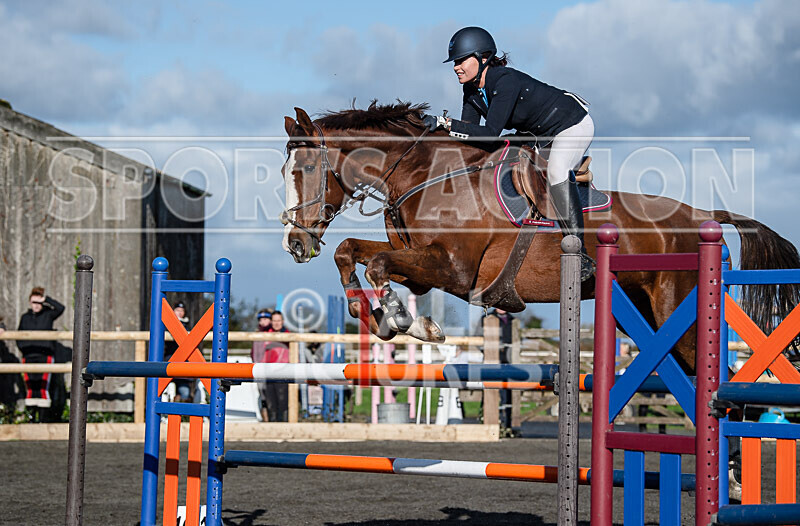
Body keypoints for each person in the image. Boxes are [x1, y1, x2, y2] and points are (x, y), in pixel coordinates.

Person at [423, 26, 595, 280]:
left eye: (461, 60)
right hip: (537, 134)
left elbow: (491, 132)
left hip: (571, 125)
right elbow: (471, 135)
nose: (456, 67)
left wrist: (445, 124)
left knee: (558, 170)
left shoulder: (505, 80)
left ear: (483, 58)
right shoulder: (471, 91)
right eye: (454, 62)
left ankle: (580, 254)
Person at [16, 287, 65, 422]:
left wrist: (46, 300)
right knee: (31, 388)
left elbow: (61, 308)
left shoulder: (48, 314)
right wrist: (24, 349)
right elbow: (18, 335)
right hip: (29, 355)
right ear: (30, 302)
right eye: (34, 302)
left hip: (45, 355)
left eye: (39, 303)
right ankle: (32, 418)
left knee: (43, 387)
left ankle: (43, 419)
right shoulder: (25, 317)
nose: (36, 305)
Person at [482, 308, 516, 433]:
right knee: (490, 390)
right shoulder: (486, 318)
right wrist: (489, 353)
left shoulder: (513, 320)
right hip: (492, 362)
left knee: (508, 393)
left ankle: (507, 423)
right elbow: (479, 338)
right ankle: (487, 421)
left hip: (509, 362)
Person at [163, 301, 196, 402]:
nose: (180, 313)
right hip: (171, 360)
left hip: (183, 363)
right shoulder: (167, 323)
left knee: (184, 391)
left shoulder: (188, 325)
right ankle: (166, 415)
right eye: (178, 310)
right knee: (167, 391)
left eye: (182, 311)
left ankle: (183, 415)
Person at [263, 311, 290, 422]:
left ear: (282, 322)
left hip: (283, 372)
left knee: (283, 402)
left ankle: (284, 427)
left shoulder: (288, 334)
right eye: (274, 321)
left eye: (278, 320)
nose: (276, 323)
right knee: (270, 403)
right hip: (268, 372)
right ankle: (272, 426)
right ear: (271, 322)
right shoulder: (266, 335)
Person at [251, 309, 273, 421]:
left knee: (272, 396)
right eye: (261, 319)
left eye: (266, 319)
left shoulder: (273, 334)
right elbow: (253, 352)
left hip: (271, 369)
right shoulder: (256, 334)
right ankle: (266, 420)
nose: (263, 321)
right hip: (259, 369)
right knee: (262, 397)